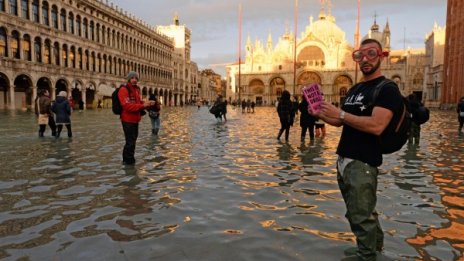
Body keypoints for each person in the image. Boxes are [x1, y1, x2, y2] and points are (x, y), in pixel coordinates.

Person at [314, 38, 404, 260]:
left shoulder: (387, 89)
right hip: (345, 158)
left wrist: (341, 114)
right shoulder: (355, 89)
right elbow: (340, 122)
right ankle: (373, 248)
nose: (364, 59)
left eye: (371, 53)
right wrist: (321, 113)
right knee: (361, 210)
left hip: (363, 161)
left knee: (361, 214)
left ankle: (366, 255)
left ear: (382, 56)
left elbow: (376, 126)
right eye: (359, 55)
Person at [118, 71, 154, 165]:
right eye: (132, 78)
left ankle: (129, 160)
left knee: (133, 141)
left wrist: (147, 103)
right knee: (130, 142)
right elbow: (127, 106)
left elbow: (138, 103)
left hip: (135, 120)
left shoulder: (136, 90)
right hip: (127, 120)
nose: (134, 79)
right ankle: (128, 162)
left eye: (136, 78)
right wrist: (142, 106)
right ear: (129, 79)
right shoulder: (124, 90)